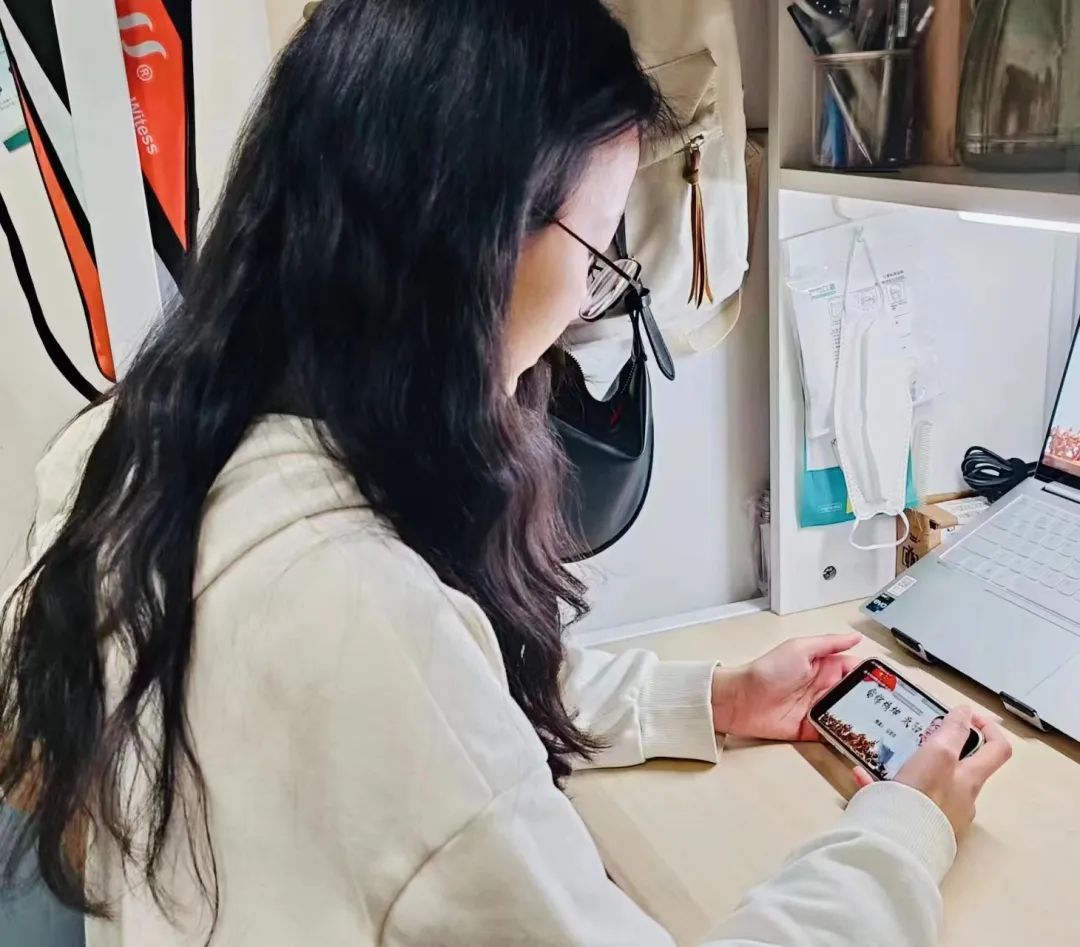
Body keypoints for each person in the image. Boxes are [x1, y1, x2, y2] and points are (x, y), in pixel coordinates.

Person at [0, 1, 1011, 944]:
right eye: (596, 250)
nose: (581, 302)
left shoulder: (138, 447)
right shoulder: (355, 615)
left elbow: (441, 710)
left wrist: (708, 697)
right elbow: (413, 696)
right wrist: (900, 830)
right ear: (477, 234)